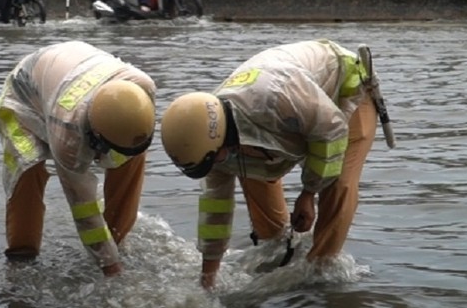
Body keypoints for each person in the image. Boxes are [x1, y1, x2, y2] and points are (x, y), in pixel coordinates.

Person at [159, 39, 380, 289]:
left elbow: (331, 131)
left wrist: (308, 193)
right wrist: (207, 278)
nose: (214, 166)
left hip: (345, 91)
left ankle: (321, 272)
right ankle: (278, 246)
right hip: (290, 113)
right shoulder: (209, 137)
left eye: (212, 160)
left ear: (221, 142)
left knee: (339, 182)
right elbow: (215, 209)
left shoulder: (276, 95)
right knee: (246, 167)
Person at [0, 40, 156, 277]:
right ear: (96, 134)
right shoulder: (67, 138)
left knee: (131, 156)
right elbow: (83, 209)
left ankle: (117, 238)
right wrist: (111, 270)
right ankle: (22, 257)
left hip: (70, 72)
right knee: (27, 169)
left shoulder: (143, 88)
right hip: (24, 95)